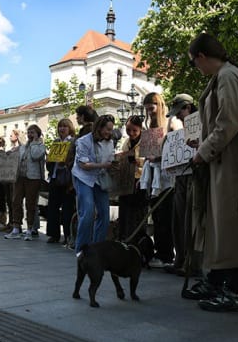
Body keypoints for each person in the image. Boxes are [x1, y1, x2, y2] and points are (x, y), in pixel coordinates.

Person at [183, 32, 238, 312]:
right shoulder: (226, 76)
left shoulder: (228, 77)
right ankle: (217, 281)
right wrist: (203, 144)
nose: (198, 68)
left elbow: (229, 122)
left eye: (196, 63)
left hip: (233, 165)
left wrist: (203, 152)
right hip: (225, 163)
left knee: (233, 227)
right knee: (221, 227)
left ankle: (232, 290)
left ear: (202, 57)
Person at [165, 94, 200, 277]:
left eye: (180, 113)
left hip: (195, 177)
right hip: (180, 175)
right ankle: (180, 258)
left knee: (190, 219)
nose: (178, 117)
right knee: (178, 218)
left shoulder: (200, 122)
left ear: (188, 107)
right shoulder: (182, 128)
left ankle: (192, 262)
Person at [72, 114, 116, 253]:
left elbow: (110, 159)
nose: (109, 133)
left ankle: (97, 249)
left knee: (104, 213)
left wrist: (114, 165)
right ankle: (82, 249)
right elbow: (84, 165)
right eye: (107, 129)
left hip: (99, 178)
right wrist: (105, 165)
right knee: (88, 211)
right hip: (84, 177)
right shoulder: (83, 141)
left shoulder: (109, 142)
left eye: (111, 130)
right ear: (99, 127)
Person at [139, 92, 174, 269]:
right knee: (158, 217)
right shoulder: (149, 125)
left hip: (166, 178)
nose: (149, 113)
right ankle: (162, 252)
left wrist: (158, 158)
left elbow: (176, 146)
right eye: (147, 110)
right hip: (153, 177)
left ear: (159, 106)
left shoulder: (170, 122)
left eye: (151, 109)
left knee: (165, 217)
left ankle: (166, 253)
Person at [4, 125, 46, 240]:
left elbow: (35, 156)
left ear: (38, 134)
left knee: (30, 204)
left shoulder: (41, 146)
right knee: (16, 201)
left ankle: (29, 229)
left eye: (32, 132)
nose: (30, 135)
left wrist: (35, 143)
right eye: (28, 132)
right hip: (20, 177)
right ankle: (16, 228)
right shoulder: (22, 147)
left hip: (33, 178)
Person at [113, 114, 145, 242]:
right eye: (128, 130)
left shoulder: (146, 141)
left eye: (134, 130)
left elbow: (150, 160)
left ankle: (138, 240)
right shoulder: (126, 142)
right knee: (125, 212)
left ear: (140, 129)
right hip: (126, 181)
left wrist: (138, 161)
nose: (131, 133)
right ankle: (124, 238)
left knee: (138, 213)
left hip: (140, 180)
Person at [45, 118, 76, 245]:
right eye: (60, 126)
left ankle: (68, 235)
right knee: (52, 208)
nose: (62, 129)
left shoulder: (73, 142)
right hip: (54, 177)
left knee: (67, 209)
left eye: (65, 126)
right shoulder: (56, 142)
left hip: (67, 180)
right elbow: (50, 163)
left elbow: (75, 160)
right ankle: (53, 234)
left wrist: (67, 164)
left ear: (70, 128)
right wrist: (49, 161)